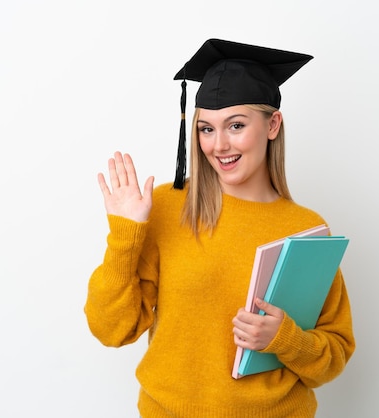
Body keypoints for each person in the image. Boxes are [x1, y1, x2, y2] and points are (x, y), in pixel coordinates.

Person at [84, 38, 355, 417]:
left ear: (272, 124)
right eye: (206, 129)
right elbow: (111, 329)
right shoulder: (167, 207)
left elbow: (334, 354)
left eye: (236, 125)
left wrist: (284, 339)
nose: (219, 145)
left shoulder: (305, 228)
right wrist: (125, 236)